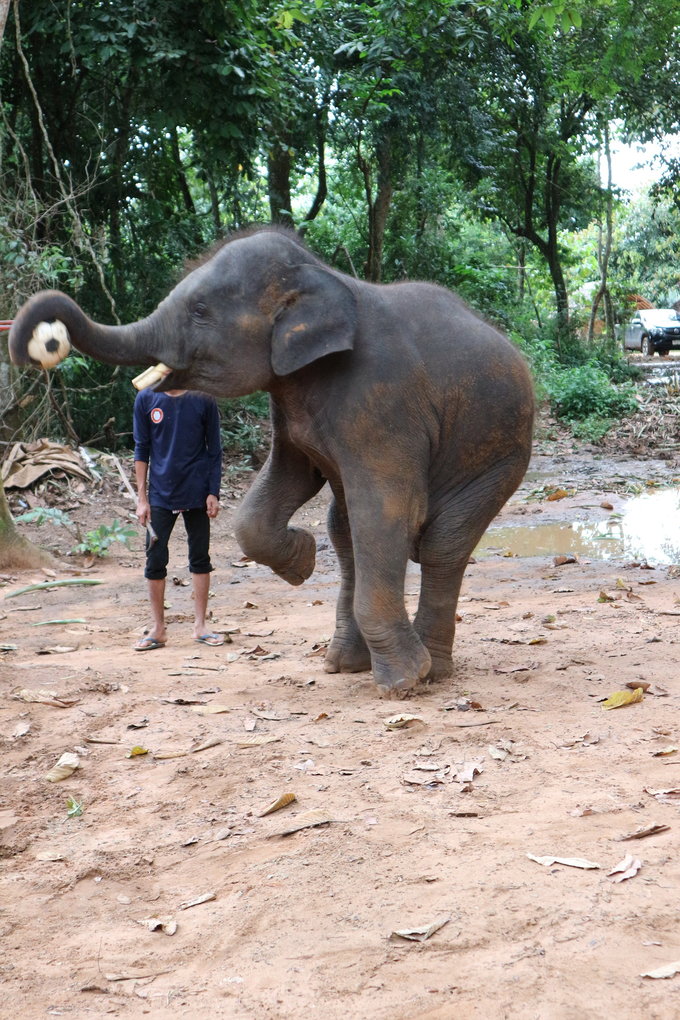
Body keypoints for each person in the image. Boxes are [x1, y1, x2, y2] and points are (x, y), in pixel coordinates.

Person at [132, 387, 223, 650]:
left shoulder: (203, 396)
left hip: (197, 490)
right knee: (155, 558)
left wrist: (212, 492)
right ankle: (158, 629)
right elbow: (142, 448)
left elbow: (214, 448)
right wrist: (142, 498)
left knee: (200, 557)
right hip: (160, 493)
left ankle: (201, 626)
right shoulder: (147, 397)